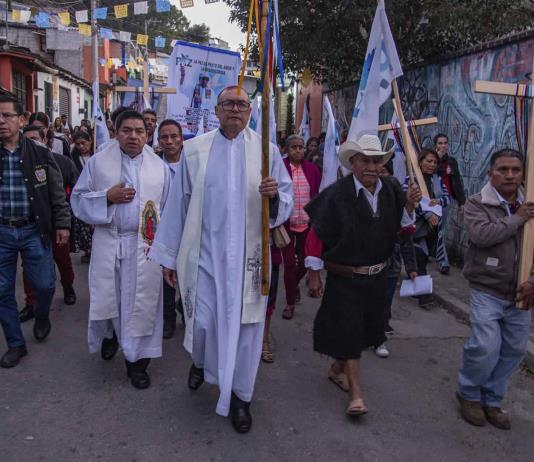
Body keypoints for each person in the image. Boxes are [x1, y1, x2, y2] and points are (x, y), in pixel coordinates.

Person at [150, 85, 293, 433]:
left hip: (249, 262)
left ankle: (241, 398)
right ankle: (200, 363)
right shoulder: (195, 150)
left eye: (242, 104)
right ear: (216, 111)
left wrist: (273, 198)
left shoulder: (266, 151)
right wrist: (168, 259)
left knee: (246, 332)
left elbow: (284, 202)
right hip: (205, 259)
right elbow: (178, 206)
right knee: (201, 324)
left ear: (250, 111)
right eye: (228, 103)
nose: (235, 109)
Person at [305, 134, 420, 416]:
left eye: (376, 160)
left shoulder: (391, 190)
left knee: (365, 330)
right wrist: (314, 274)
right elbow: (316, 235)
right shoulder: (337, 194)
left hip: (378, 278)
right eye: (365, 160)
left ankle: (336, 369)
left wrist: (409, 206)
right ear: (353, 163)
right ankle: (356, 394)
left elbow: (402, 229)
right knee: (352, 332)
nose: (371, 166)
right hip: (346, 278)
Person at [71, 110, 171, 389]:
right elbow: (78, 200)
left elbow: (170, 209)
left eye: (140, 131)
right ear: (115, 131)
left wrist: (167, 252)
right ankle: (111, 335)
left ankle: (137, 363)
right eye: (127, 130)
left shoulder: (158, 167)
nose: (134, 136)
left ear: (147, 135)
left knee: (141, 305)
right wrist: (107, 197)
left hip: (144, 246)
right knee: (111, 299)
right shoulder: (98, 162)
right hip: (109, 239)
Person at [457, 148, 534, 431]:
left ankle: (492, 398)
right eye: (503, 169)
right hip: (486, 289)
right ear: (491, 172)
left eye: (516, 170)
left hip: (521, 294)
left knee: (513, 350)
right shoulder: (478, 203)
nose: (510, 175)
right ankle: (468, 394)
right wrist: (518, 218)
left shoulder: (530, 203)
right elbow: (482, 235)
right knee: (485, 346)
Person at [0, 95, 70, 368]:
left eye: (7, 115)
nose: (1, 121)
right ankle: (16, 344)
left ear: (22, 119)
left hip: (33, 229)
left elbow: (56, 194)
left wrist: (62, 224)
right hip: (2, 232)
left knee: (44, 284)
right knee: (2, 291)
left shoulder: (40, 154)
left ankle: (42, 314)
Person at [19, 125, 79, 322]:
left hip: (55, 224)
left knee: (61, 259)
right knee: (29, 267)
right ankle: (31, 303)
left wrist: (65, 220)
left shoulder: (61, 161)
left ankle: (68, 286)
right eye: (26, 139)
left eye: (35, 138)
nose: (31, 143)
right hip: (30, 227)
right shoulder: (17, 161)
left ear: (45, 140)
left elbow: (74, 188)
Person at [375, 162, 418, 358]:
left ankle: (379, 338)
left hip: (391, 266)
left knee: (384, 302)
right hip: (367, 266)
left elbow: (407, 240)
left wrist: (411, 267)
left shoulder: (400, 215)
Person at [280, 134, 321, 320]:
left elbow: (319, 193)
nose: (298, 150)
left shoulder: (312, 169)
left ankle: (294, 283)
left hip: (306, 224)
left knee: (306, 261)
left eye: (301, 147)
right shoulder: (280, 167)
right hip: (286, 225)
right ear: (287, 150)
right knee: (289, 264)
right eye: (294, 147)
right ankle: (289, 303)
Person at [403, 148, 450, 307]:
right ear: (420, 161)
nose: (431, 165)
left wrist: (439, 202)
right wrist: (428, 214)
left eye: (435, 162)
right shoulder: (411, 179)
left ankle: (413, 283)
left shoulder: (437, 179)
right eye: (428, 161)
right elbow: (408, 201)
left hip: (432, 229)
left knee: (421, 259)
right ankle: (425, 297)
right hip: (413, 227)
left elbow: (446, 198)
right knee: (420, 258)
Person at [157, 119, 185, 339]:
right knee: (166, 277)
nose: (170, 141)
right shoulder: (153, 166)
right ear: (158, 141)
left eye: (174, 136)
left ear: (181, 139)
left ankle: (186, 311)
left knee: (187, 277)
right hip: (161, 231)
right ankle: (168, 319)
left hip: (189, 230)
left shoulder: (193, 163)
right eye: (164, 137)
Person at [434, 133, 466, 274]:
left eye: (445, 143)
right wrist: (438, 162)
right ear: (435, 145)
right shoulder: (430, 159)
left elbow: (457, 181)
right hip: (430, 200)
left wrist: (461, 202)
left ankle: (443, 262)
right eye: (440, 143)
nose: (443, 146)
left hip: (445, 200)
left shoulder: (451, 162)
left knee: (441, 230)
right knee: (431, 229)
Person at [70, 131, 94, 263]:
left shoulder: (97, 156)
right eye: (78, 144)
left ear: (90, 141)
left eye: (83, 143)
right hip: (83, 196)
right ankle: (87, 250)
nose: (81, 146)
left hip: (95, 194)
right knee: (84, 225)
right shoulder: (73, 158)